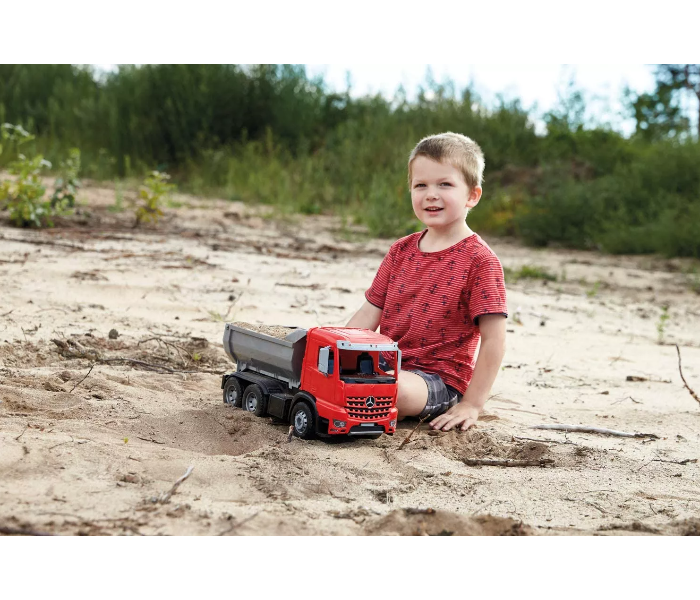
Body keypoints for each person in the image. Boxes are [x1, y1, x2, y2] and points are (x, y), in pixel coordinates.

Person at [345, 132, 508, 432]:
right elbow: (369, 313)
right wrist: (336, 347)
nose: (430, 194)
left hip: (438, 381)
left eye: (444, 184)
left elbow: (494, 340)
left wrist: (472, 404)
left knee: (391, 390)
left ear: (473, 195)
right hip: (385, 363)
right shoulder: (401, 250)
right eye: (421, 185)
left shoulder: (480, 261)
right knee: (334, 373)